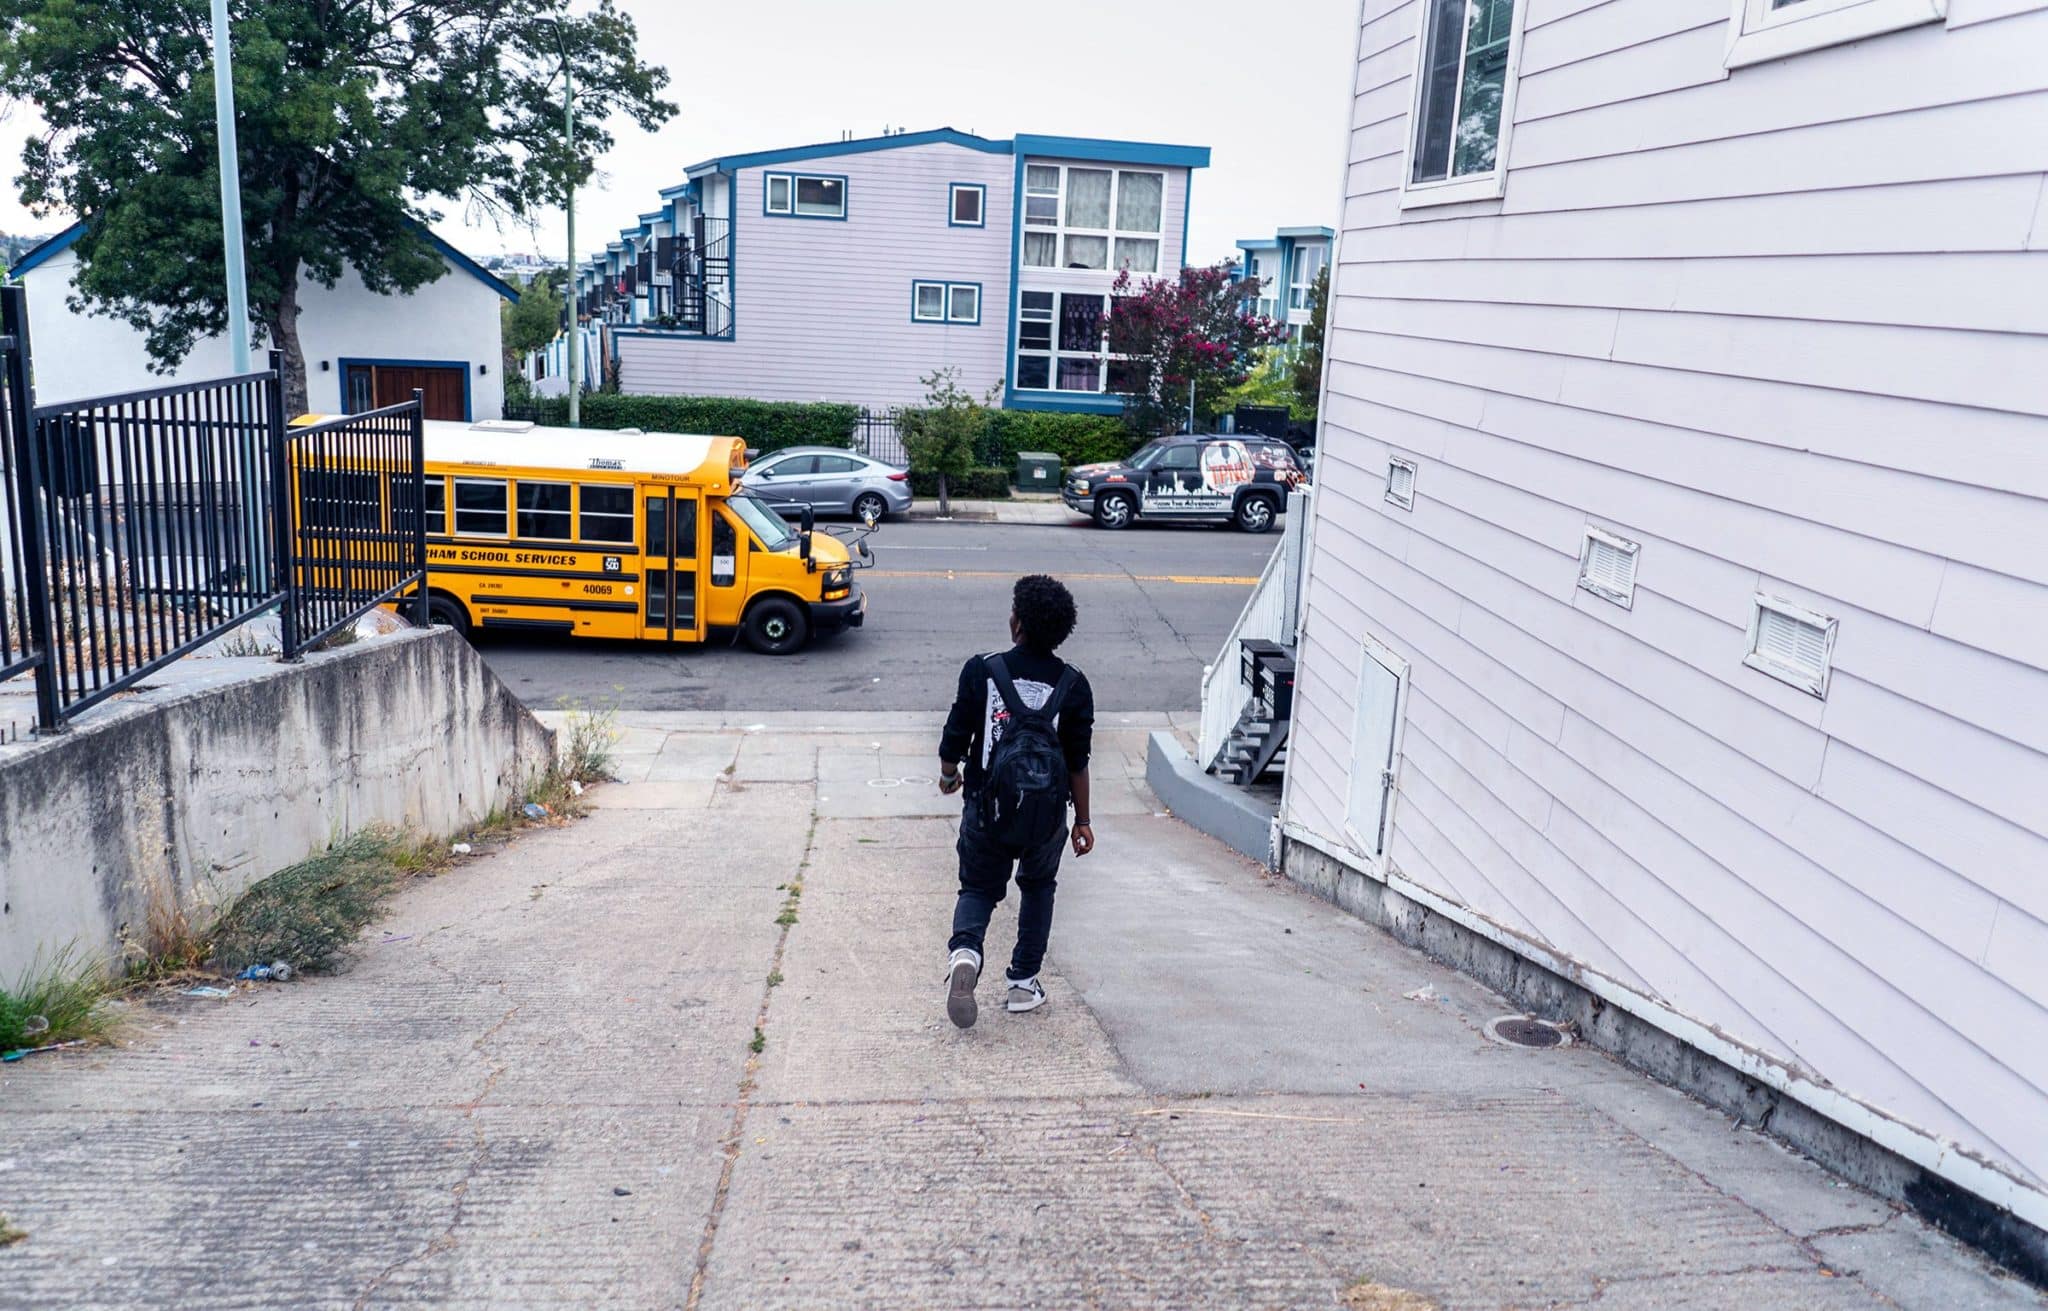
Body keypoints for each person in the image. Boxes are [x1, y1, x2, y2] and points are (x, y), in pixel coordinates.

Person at [938, 574, 1095, 1029]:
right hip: (1046, 818)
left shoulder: (982, 670)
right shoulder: (1074, 684)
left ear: (1018, 623)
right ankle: (1023, 983)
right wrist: (1082, 821)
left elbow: (955, 736)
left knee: (979, 888)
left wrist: (950, 776)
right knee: (1038, 886)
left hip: (988, 809)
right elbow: (1077, 761)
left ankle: (966, 954)